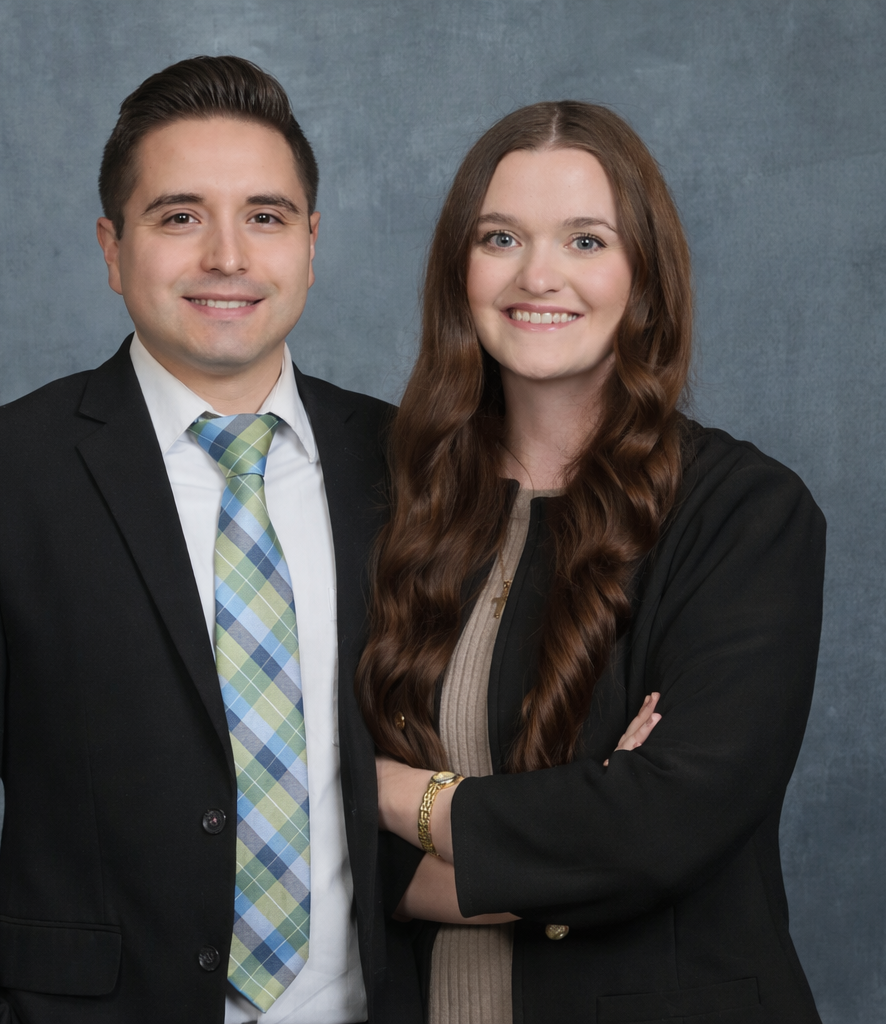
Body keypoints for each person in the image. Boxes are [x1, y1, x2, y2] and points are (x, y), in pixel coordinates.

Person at [0, 56, 419, 1023]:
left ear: (311, 245)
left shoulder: (411, 463)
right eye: (180, 216)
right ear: (112, 249)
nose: (228, 256)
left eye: (266, 216)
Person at [358, 101, 827, 1023]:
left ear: (644, 273)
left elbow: (659, 831)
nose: (539, 275)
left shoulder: (745, 514)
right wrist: (575, 829)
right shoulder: (384, 500)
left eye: (585, 240)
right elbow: (301, 845)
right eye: (501, 238)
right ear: (459, 269)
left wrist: (381, 791)